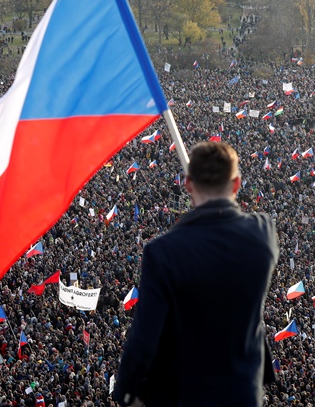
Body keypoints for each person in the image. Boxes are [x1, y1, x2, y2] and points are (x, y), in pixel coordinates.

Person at [113, 142, 279, 406]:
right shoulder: (263, 234)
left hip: (184, 395)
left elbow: (144, 338)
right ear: (236, 185)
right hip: (243, 394)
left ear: (188, 184)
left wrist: (124, 393)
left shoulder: (162, 252)